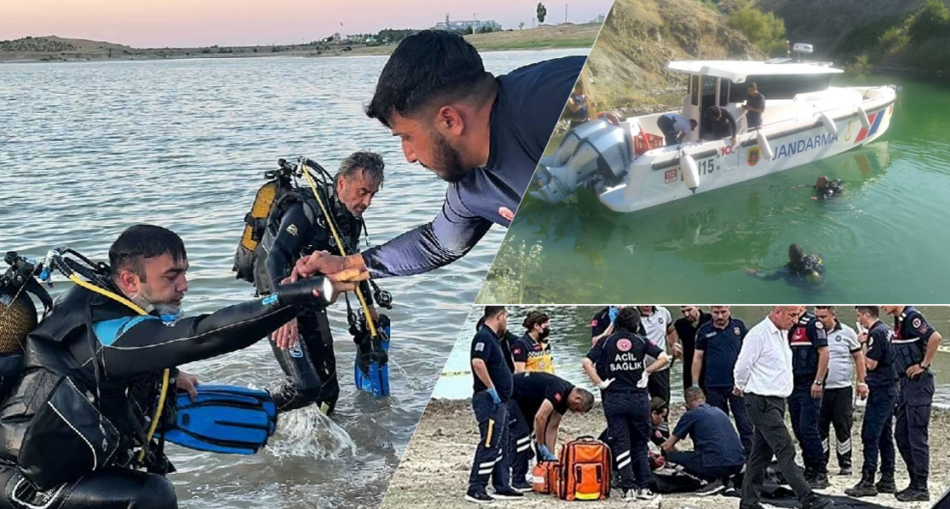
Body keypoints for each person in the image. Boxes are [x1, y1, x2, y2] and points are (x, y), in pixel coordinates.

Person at [0, 225, 352, 509]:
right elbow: (204, 335)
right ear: (128, 281)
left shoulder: (99, 300)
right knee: (152, 495)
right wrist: (307, 293)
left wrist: (168, 374)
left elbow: (117, 358)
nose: (184, 285)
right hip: (27, 479)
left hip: (53, 450)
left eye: (184, 272)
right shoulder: (109, 335)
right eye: (171, 277)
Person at [293, 30, 584, 282]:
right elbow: (437, 243)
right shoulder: (470, 190)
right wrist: (346, 266)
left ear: (449, 120)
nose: (408, 155)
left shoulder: (555, 103)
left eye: (407, 137)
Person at [256, 152, 384, 415]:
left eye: (372, 194)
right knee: (304, 387)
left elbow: (352, 264)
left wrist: (369, 308)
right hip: (275, 295)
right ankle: (255, 414)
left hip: (307, 294)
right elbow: (276, 257)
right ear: (341, 184)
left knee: (328, 390)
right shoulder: (304, 211)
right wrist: (283, 310)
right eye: (362, 192)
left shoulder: (349, 217)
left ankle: (322, 447)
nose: (367, 202)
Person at [734, 306, 831, 509]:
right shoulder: (759, 334)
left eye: (798, 315)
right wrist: (743, 387)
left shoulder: (782, 333)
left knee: (760, 455)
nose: (795, 320)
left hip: (777, 401)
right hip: (761, 400)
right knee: (785, 447)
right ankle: (807, 498)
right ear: (778, 312)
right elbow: (742, 366)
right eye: (792, 315)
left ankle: (749, 501)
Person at [583, 307, 670, 502]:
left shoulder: (605, 341)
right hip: (638, 398)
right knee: (639, 442)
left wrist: (600, 383)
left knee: (621, 443)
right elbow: (664, 358)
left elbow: (587, 362)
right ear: (636, 324)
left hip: (614, 397)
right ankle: (644, 487)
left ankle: (627, 488)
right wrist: (647, 372)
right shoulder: (641, 341)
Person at [883, 306, 941, 502]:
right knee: (901, 435)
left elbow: (935, 338)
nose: (882, 306)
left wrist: (923, 365)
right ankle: (914, 480)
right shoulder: (899, 320)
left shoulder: (912, 317)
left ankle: (921, 487)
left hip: (919, 384)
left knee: (916, 437)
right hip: (906, 385)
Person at [467, 306, 522, 503]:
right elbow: (478, 362)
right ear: (499, 316)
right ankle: (476, 487)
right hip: (488, 399)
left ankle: (502, 485)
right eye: (506, 316)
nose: (507, 320)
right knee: (490, 442)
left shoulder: (495, 338)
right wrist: (491, 388)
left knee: (502, 441)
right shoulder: (483, 336)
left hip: (502, 402)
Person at [508, 372, 594, 491]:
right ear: (577, 399)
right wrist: (541, 444)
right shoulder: (558, 389)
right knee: (521, 436)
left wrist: (550, 455)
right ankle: (518, 480)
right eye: (577, 409)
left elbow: (552, 427)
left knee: (532, 433)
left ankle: (543, 472)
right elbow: (540, 417)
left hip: (525, 402)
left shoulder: (565, 400)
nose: (575, 413)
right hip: (510, 394)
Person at [846, 306, 899, 498]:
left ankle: (867, 481)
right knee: (884, 433)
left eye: (860, 315)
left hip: (881, 389)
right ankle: (887, 478)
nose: (859, 319)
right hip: (890, 386)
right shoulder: (887, 331)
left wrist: (861, 344)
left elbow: (870, 363)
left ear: (867, 315)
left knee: (870, 434)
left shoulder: (876, 334)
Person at [660, 387, 746, 497]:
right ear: (704, 398)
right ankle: (726, 482)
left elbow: (667, 447)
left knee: (670, 457)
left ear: (687, 404)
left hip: (714, 465)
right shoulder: (719, 411)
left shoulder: (691, 414)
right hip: (738, 463)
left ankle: (711, 481)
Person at [691, 306, 752, 457]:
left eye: (723, 312)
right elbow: (697, 358)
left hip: (737, 384)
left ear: (729, 310)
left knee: (744, 422)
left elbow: (750, 353)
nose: (719, 316)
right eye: (716, 312)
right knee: (719, 423)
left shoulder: (739, 326)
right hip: (713, 385)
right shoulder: (704, 331)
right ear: (710, 311)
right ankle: (723, 455)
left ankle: (751, 456)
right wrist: (695, 384)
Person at [814, 306, 867, 477]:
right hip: (821, 389)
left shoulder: (847, 332)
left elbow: (859, 357)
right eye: (817, 316)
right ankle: (821, 462)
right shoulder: (814, 331)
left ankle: (845, 463)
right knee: (820, 426)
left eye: (823, 316)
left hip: (842, 388)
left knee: (842, 426)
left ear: (832, 315)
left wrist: (861, 381)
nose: (820, 320)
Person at [786, 307, 831, 489]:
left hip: (810, 383)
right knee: (798, 428)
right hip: (793, 384)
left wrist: (818, 381)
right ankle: (809, 468)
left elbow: (824, 353)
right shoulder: (790, 326)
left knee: (808, 428)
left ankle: (820, 471)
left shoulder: (813, 324)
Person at [638, 305, 678, 404]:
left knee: (663, 400)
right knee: (640, 400)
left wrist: (674, 344)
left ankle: (663, 418)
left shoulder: (664, 312)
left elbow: (671, 330)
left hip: (660, 366)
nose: (646, 305)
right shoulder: (632, 315)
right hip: (639, 368)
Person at [747, 243, 825, 287]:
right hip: (819, 282)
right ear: (802, 253)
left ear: (790, 255)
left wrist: (754, 273)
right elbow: (818, 255)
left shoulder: (786, 269)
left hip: (804, 287)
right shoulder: (812, 259)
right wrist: (814, 252)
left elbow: (770, 278)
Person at [675, 306, 711, 391]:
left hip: (709, 365)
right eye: (683, 312)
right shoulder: (680, 324)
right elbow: (671, 335)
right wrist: (675, 345)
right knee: (691, 394)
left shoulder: (710, 320)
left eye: (689, 310)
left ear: (697, 306)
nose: (687, 314)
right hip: (689, 365)